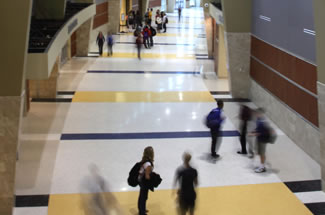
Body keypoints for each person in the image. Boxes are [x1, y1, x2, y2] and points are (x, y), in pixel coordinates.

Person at [250, 108, 268, 173]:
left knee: (262, 154)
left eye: (256, 113)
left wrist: (253, 134)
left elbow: (261, 132)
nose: (255, 115)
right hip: (259, 139)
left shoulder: (262, 122)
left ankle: (262, 167)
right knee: (260, 153)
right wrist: (254, 131)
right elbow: (258, 129)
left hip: (262, 140)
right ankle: (261, 165)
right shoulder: (258, 120)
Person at [138, 147, 154, 215]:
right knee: (144, 197)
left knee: (142, 196)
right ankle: (142, 212)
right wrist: (154, 179)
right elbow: (147, 176)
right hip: (144, 182)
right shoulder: (148, 164)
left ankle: (142, 209)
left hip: (141, 180)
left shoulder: (144, 160)